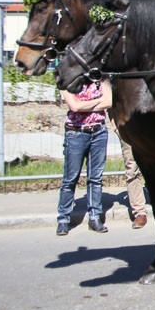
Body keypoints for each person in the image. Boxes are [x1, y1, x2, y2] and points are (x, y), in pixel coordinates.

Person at [57, 80, 113, 235]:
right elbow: (74, 106)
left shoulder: (100, 79)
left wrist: (84, 103)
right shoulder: (68, 78)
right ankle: (63, 219)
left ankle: (95, 217)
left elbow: (109, 102)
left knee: (95, 178)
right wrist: (97, 102)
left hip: (99, 132)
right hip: (75, 133)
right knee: (70, 179)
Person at [119, 138, 148, 228]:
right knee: (132, 171)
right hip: (129, 131)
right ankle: (139, 213)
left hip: (151, 130)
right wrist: (116, 127)